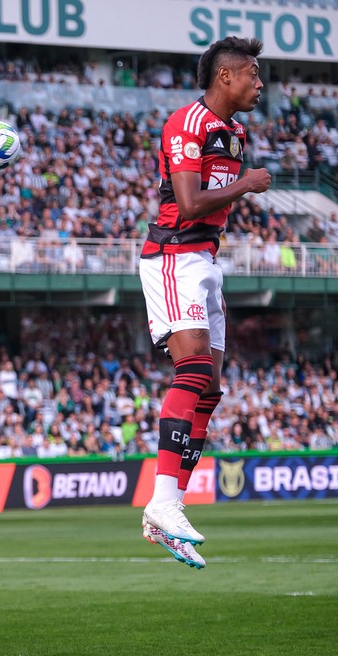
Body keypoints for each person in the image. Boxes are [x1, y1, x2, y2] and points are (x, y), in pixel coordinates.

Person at [139, 37, 271, 569]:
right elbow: (190, 203)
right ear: (226, 77)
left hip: (206, 261)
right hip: (174, 256)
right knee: (191, 371)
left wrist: (240, 183)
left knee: (210, 390)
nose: (259, 84)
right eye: (252, 75)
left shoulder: (234, 131)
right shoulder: (186, 124)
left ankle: (167, 508)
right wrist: (245, 185)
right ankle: (163, 499)